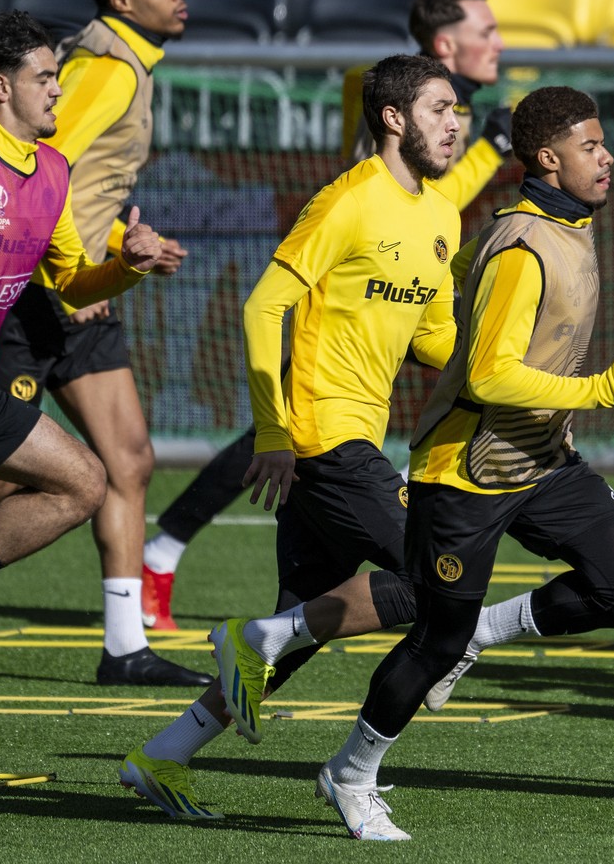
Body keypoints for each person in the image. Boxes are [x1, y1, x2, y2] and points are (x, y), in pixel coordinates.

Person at [313, 86, 614, 841]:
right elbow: (486, 375)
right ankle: (350, 774)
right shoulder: (522, 244)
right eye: (590, 146)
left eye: (604, 143)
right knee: (433, 641)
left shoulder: (570, 227)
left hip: (541, 461)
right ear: (548, 159)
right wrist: (604, 387)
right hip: (467, 473)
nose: (607, 157)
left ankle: (484, 631)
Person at [117, 54, 463, 820]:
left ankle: (162, 756)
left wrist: (511, 369)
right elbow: (262, 306)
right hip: (321, 436)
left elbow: (436, 338)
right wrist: (273, 431)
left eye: (458, 111)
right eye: (441, 108)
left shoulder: (442, 215)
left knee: (296, 633)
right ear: (395, 118)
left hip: (352, 437)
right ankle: (309, 714)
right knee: (440, 577)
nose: (455, 123)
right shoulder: (347, 200)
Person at [139, 0, 514, 630]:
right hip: (340, 307)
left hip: (388, 312)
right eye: (486, 31)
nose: (499, 42)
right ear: (444, 43)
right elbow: (404, 194)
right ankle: (167, 548)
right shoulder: (376, 95)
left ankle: (231, 676)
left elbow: (433, 214)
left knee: (308, 598)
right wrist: (491, 152)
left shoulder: (451, 110)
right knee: (285, 436)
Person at [0, 0, 206, 686]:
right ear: (4, 88)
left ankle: (125, 646)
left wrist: (126, 265)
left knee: (105, 466)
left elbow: (72, 276)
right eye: (43, 78)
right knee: (32, 480)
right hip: (14, 335)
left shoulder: (51, 169)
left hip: (27, 328)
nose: (58, 89)